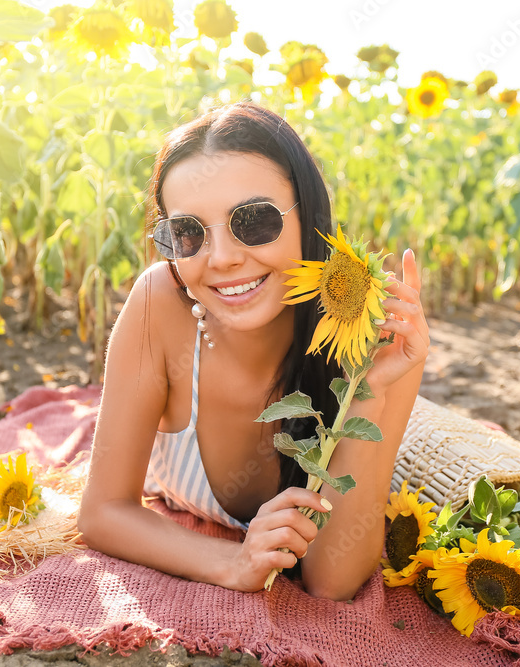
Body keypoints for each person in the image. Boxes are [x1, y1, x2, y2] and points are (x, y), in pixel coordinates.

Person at [77, 102, 429, 601]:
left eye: (254, 221)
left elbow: (332, 582)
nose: (221, 259)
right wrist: (233, 562)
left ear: (308, 214)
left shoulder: (370, 332)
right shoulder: (160, 302)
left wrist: (366, 392)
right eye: (189, 233)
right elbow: (103, 511)